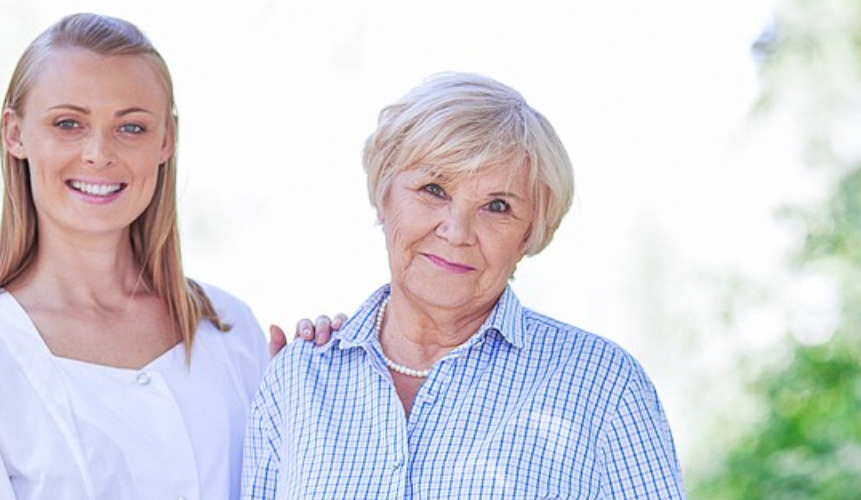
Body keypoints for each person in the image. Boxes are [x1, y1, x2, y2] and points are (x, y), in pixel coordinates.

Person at [0, 13, 308, 499]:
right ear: (15, 133)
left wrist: (333, 383)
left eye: (130, 127)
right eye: (68, 123)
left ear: (166, 140)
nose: (98, 153)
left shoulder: (232, 332)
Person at [243, 73, 686, 498]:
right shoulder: (298, 378)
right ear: (384, 192)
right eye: (434, 189)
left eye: (497, 205)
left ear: (530, 231)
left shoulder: (604, 387)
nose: (457, 230)